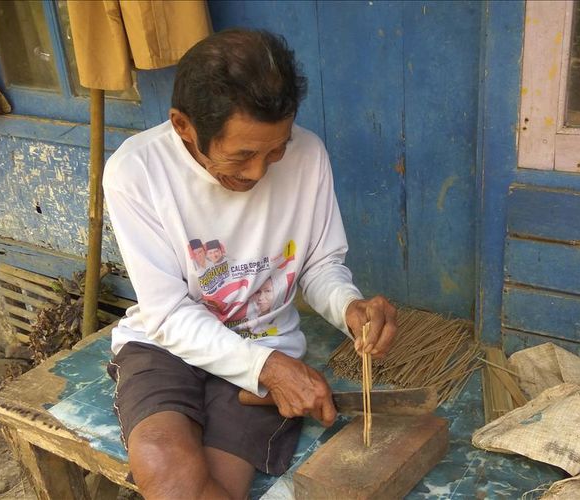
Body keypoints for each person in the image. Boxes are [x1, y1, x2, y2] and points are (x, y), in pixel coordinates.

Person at [102, 28, 397, 500]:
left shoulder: (309, 155)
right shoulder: (136, 173)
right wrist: (270, 369)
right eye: (241, 155)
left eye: (275, 149)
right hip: (166, 344)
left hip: (265, 338)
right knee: (165, 465)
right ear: (183, 126)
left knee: (219, 485)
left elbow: (319, 263)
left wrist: (349, 307)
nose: (259, 172)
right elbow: (168, 313)